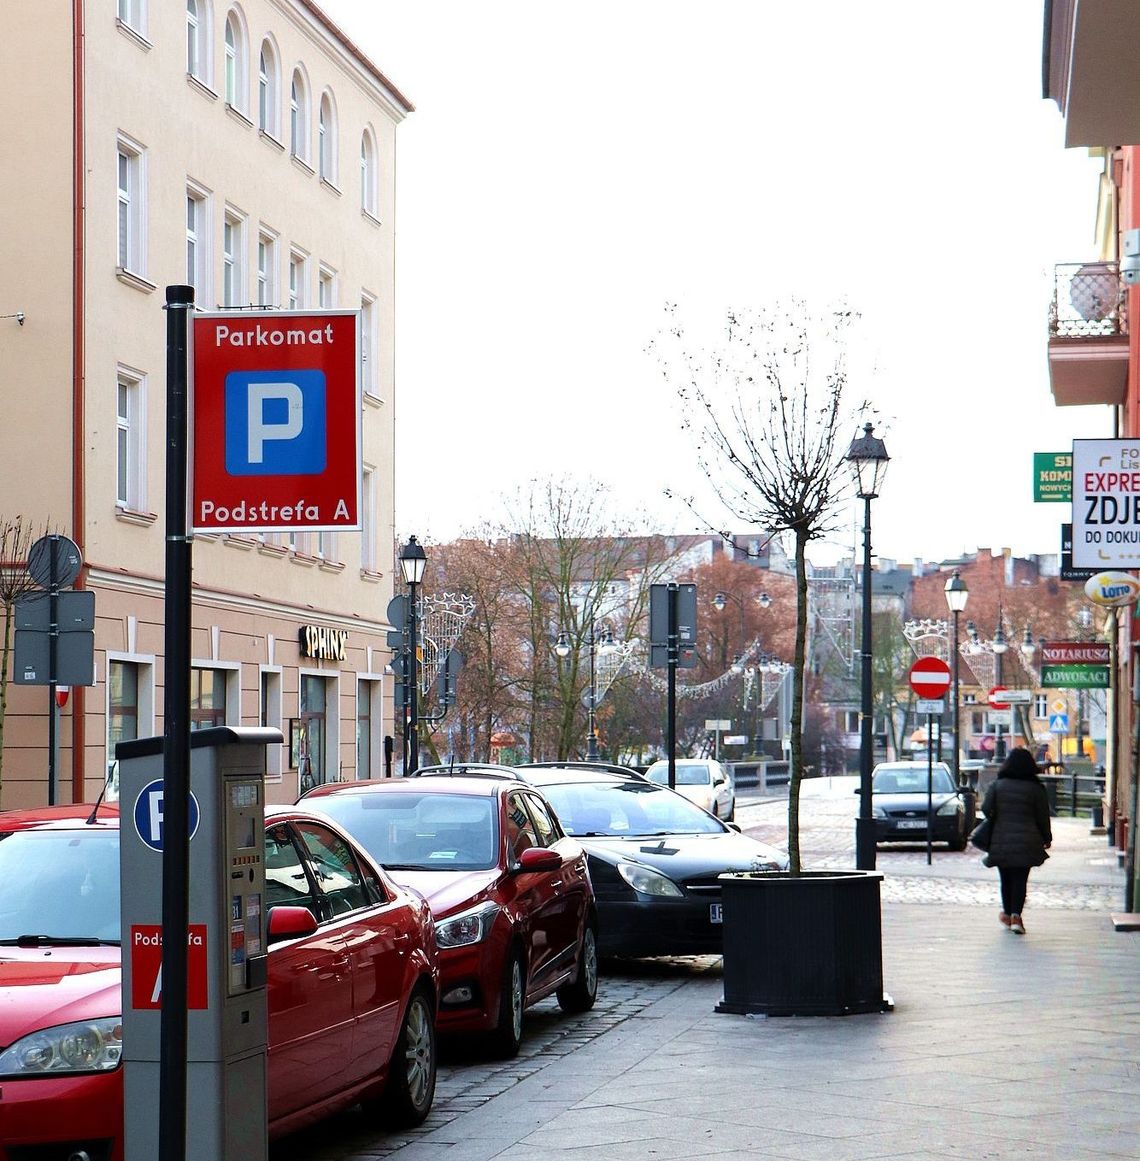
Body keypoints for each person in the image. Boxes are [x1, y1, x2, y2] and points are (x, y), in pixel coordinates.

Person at [980, 747, 1052, 935]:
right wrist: (1047, 838)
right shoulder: (1036, 788)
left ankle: (1007, 913)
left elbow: (987, 809)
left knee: (1006, 879)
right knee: (1021, 879)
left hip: (1001, 839)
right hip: (1028, 840)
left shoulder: (998, 785)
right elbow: (1043, 816)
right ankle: (1016, 917)